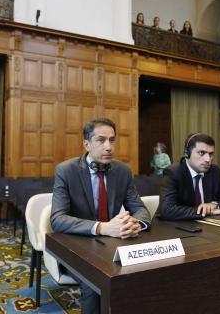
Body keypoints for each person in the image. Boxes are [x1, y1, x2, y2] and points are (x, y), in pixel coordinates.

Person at [51, 118, 151, 314]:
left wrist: (136, 223)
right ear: (86, 144)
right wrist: (102, 227)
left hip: (112, 245)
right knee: (94, 284)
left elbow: (140, 209)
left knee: (146, 274)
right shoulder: (66, 170)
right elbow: (57, 219)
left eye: (112, 140)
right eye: (101, 140)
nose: (108, 147)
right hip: (77, 247)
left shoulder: (123, 171)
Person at [156, 133, 220, 220]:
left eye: (211, 154)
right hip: (175, 228)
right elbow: (167, 210)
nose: (208, 159)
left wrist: (215, 205)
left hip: (207, 228)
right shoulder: (173, 172)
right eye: (201, 153)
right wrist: (205, 212)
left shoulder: (214, 171)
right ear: (187, 153)